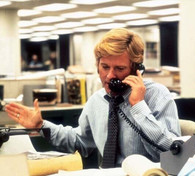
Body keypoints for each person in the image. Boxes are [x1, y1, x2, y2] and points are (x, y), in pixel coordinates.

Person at [5, 28, 181, 167]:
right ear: (97, 65)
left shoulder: (157, 95)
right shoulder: (98, 100)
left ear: (137, 69)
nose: (110, 75)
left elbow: (172, 151)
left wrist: (138, 106)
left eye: (119, 69)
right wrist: (41, 125)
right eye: (105, 67)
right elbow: (80, 141)